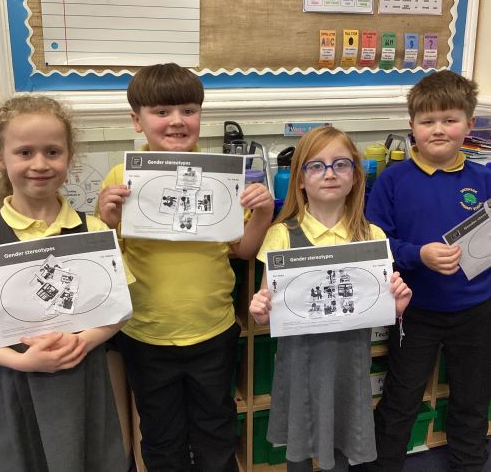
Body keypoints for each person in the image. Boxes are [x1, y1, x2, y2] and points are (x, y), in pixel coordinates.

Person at [97, 63, 274, 472]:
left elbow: (245, 249)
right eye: (161, 111)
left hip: (212, 329)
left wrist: (263, 214)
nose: (177, 120)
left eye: (188, 110)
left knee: (216, 427)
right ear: (137, 121)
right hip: (146, 333)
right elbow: (107, 263)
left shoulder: (221, 175)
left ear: (200, 115)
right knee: (162, 433)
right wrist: (106, 221)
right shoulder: (121, 177)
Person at [249, 126, 412, 472]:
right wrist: (260, 310)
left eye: (341, 164)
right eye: (316, 165)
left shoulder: (371, 236)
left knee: (341, 443)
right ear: (300, 179)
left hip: (348, 362)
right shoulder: (281, 235)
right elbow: (266, 309)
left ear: (355, 176)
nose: (329, 173)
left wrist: (396, 307)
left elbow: (382, 305)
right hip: (299, 361)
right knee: (297, 449)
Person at [0, 95, 129, 472]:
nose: (40, 164)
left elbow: (119, 310)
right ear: (1, 157)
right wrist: (21, 361)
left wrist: (83, 341)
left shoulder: (93, 229)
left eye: (52, 152)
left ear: (69, 157)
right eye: (25, 152)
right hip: (12, 383)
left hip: (81, 377)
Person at [365, 70, 491, 472]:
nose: (438, 129)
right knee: (401, 398)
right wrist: (418, 254)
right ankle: (383, 465)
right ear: (412, 126)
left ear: (469, 125)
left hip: (476, 310)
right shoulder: (392, 181)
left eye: (450, 119)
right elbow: (376, 244)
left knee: (472, 396)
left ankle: (469, 464)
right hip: (414, 311)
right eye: (427, 120)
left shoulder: (484, 178)